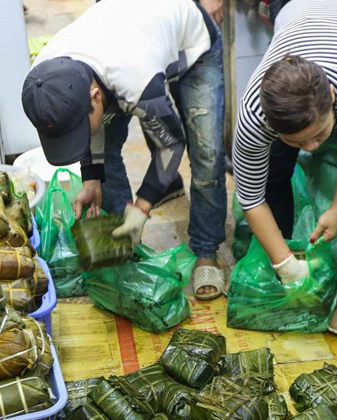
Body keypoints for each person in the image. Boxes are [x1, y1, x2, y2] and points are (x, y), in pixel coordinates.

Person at [22, 0, 227, 300]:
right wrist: (91, 179)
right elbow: (89, 131)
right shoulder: (47, 77)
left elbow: (171, 144)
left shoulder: (134, 77)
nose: (79, 135)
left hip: (193, 47)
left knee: (206, 154)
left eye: (80, 127)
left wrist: (141, 209)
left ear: (95, 96)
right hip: (127, 47)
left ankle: (207, 250)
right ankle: (121, 247)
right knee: (106, 153)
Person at [232, 0, 337, 337]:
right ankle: (279, 264)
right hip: (297, 17)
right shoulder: (254, 115)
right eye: (297, 141)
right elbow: (251, 197)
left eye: (320, 135)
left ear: (333, 98)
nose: (312, 148)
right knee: (275, 173)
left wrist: (336, 210)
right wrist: (285, 264)